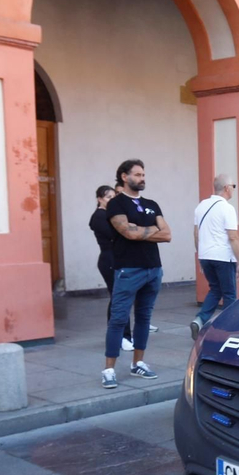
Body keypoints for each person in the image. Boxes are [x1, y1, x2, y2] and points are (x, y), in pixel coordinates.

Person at [102, 159, 170, 388]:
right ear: (124, 176)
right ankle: (109, 370)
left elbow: (167, 234)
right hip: (128, 270)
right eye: (138, 174)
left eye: (143, 174)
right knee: (119, 319)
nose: (142, 178)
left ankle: (137, 363)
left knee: (144, 318)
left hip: (154, 269)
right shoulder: (116, 204)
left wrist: (141, 231)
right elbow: (128, 233)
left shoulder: (152, 204)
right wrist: (153, 230)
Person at [192, 173, 239, 338]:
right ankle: (227, 330)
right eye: (233, 186)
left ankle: (200, 319)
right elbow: (233, 237)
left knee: (215, 289)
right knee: (229, 294)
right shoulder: (227, 208)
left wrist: (200, 257)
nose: (234, 189)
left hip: (205, 256)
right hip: (223, 257)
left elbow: (196, 234)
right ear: (227, 188)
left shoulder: (201, 206)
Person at [90, 185, 134, 352]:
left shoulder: (109, 215)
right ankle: (122, 336)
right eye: (108, 197)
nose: (112, 200)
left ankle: (120, 335)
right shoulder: (99, 216)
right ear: (99, 199)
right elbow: (118, 234)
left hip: (117, 259)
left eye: (113, 197)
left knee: (120, 298)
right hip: (109, 260)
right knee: (120, 298)